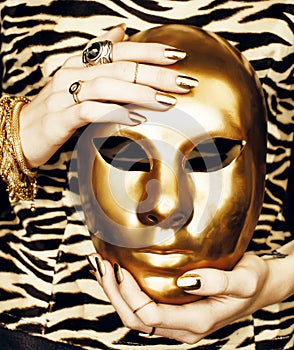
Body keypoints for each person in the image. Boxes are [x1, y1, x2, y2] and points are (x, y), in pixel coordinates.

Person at [0, 1, 293, 350]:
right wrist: (15, 137)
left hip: (255, 333)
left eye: (211, 156)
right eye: (124, 154)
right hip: (34, 322)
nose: (167, 205)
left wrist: (278, 279)